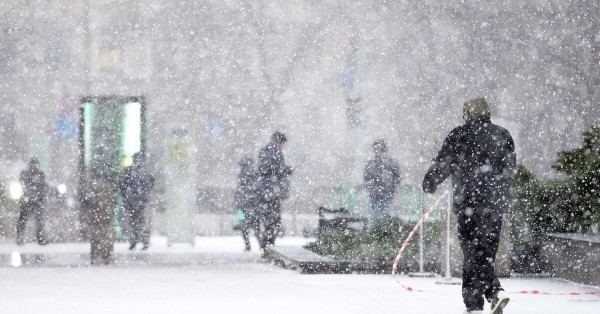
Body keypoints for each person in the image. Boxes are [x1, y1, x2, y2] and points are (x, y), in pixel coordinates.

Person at [422, 97, 514, 314]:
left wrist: (430, 182)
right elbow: (509, 170)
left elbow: (444, 163)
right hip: (494, 206)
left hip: (468, 204)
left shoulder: (459, 135)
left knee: (473, 252)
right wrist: (498, 194)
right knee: (485, 253)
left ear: (466, 114)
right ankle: (480, 301)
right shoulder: (503, 135)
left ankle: (486, 297)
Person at [257, 131, 292, 250]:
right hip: (272, 191)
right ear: (280, 142)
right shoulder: (275, 152)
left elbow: (264, 169)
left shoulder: (265, 150)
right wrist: (288, 170)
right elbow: (275, 170)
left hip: (265, 191)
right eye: (283, 143)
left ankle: (266, 244)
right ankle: (269, 245)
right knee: (274, 220)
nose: (284, 146)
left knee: (268, 220)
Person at [119, 153, 155, 250]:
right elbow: (151, 182)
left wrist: (126, 194)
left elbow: (122, 184)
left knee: (133, 221)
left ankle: (135, 241)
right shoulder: (145, 171)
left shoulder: (129, 171)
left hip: (132, 201)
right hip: (142, 201)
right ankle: (144, 241)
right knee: (141, 221)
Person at [363, 139, 401, 226]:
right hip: (377, 195)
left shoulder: (390, 163)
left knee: (384, 215)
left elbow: (396, 178)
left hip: (386, 194)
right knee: (376, 216)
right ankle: (380, 232)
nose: (376, 151)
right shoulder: (372, 164)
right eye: (375, 149)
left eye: (378, 148)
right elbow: (367, 179)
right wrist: (375, 189)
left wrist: (389, 188)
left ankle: (382, 232)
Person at [89, 161, 117, 265]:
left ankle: (99, 256)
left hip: (99, 216)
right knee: (105, 236)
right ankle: (106, 256)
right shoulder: (106, 187)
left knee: (98, 236)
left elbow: (92, 202)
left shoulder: (94, 187)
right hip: (104, 215)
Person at [16, 157, 48, 245]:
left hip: (37, 201)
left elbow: (44, 188)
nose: (35, 167)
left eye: (36, 165)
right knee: (22, 220)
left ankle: (40, 238)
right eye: (33, 165)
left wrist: (41, 198)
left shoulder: (41, 175)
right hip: (26, 201)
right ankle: (20, 238)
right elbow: (22, 185)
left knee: (39, 220)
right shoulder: (25, 174)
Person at [234, 157, 260, 251]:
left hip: (245, 205)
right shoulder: (254, 174)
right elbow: (256, 188)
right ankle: (261, 245)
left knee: (245, 228)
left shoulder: (242, 175)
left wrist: (237, 205)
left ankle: (248, 245)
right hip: (253, 205)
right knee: (256, 227)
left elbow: (239, 191)